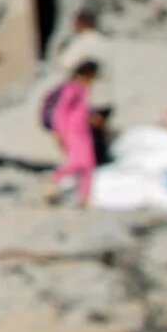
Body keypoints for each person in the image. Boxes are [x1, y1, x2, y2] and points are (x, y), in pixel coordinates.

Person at [56, 11, 114, 165]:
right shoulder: (104, 42)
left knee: (87, 140)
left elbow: (65, 63)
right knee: (99, 138)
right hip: (106, 98)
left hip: (89, 99)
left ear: (80, 24)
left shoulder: (81, 42)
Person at [47, 61, 99, 205]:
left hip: (84, 132)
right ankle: (53, 180)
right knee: (76, 164)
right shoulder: (72, 89)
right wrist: (59, 132)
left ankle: (84, 197)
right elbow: (61, 112)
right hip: (72, 132)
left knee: (88, 165)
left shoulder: (83, 89)